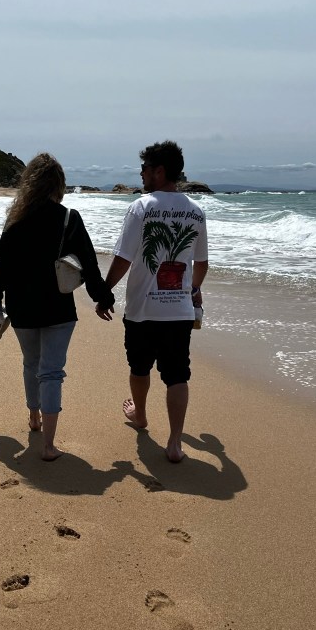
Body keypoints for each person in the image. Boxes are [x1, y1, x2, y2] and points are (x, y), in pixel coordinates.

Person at [0, 153, 114, 461]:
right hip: (58, 308)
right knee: (52, 372)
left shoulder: (16, 219)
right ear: (58, 184)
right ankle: (48, 446)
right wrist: (102, 298)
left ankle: (34, 418)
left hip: (22, 307)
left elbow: (1, 265)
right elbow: (89, 265)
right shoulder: (69, 218)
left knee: (31, 364)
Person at [96, 141, 208, 463]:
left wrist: (105, 291)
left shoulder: (141, 207)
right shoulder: (196, 211)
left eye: (144, 169)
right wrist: (193, 289)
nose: (141, 174)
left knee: (139, 367)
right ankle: (174, 442)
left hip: (143, 310)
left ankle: (141, 416)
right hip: (179, 311)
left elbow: (124, 258)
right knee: (177, 375)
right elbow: (201, 263)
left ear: (159, 171)